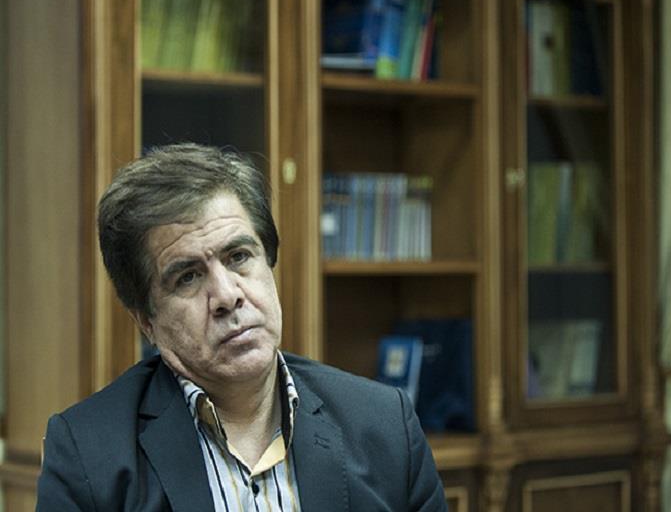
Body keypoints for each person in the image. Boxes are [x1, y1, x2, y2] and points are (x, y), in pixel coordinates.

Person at [36, 143, 446, 511]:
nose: (227, 295)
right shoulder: (88, 456)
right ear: (148, 322)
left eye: (238, 257)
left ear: (269, 262)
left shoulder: (385, 427)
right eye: (188, 277)